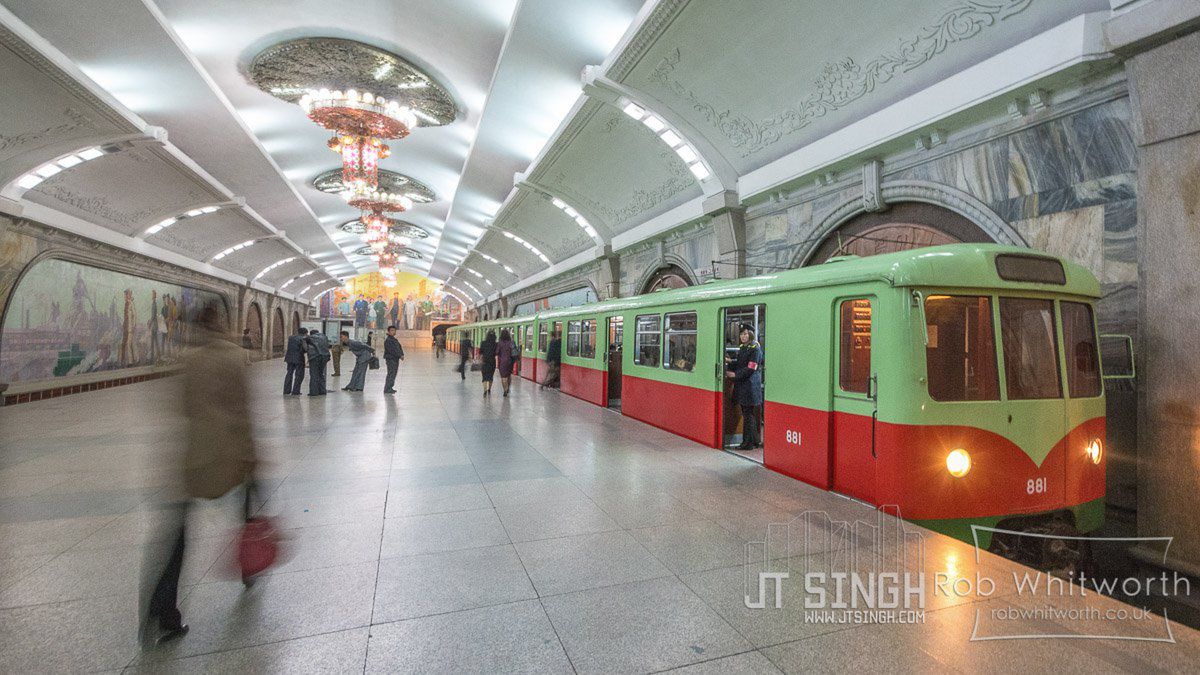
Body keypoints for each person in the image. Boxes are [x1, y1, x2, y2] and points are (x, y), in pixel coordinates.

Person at [142, 303, 258, 647]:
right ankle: (249, 567)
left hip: (193, 455)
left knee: (176, 538)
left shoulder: (189, 360)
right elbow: (244, 409)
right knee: (246, 512)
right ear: (221, 323)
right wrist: (254, 454)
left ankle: (161, 610)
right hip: (231, 451)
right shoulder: (235, 356)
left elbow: (181, 408)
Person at [725, 323, 764, 450]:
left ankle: (747, 443)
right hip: (744, 386)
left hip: (750, 386)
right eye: (741, 334)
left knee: (748, 415)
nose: (743, 336)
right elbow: (742, 362)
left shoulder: (755, 348)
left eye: (746, 334)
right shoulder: (744, 348)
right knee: (747, 414)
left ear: (751, 334)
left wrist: (735, 374)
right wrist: (731, 361)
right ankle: (754, 441)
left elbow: (751, 368)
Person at [305, 328, 331, 396]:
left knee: (314, 374)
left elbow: (305, 348)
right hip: (325, 357)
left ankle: (313, 392)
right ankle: (322, 391)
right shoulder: (324, 337)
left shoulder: (310, 337)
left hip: (315, 357)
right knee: (320, 373)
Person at [283, 327, 307, 396]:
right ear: (305, 333)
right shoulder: (303, 338)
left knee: (289, 373)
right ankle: (296, 391)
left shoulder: (291, 338)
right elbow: (305, 348)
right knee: (299, 375)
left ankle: (286, 390)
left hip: (289, 358)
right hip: (299, 358)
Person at [383, 325, 405, 394]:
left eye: (394, 330)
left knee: (393, 374)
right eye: (391, 330)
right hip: (391, 359)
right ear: (388, 332)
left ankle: (390, 387)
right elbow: (392, 350)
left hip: (395, 359)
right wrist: (400, 355)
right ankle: (387, 389)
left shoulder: (393, 339)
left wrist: (402, 354)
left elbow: (399, 347)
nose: (393, 332)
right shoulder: (388, 340)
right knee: (391, 373)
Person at [479, 330, 498, 396]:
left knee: (484, 376)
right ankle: (489, 389)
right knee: (490, 376)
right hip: (492, 362)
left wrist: (480, 360)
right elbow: (496, 353)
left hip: (484, 362)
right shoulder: (495, 344)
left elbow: (480, 353)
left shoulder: (483, 343)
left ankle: (484, 390)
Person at [497, 329, 516, 397]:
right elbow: (514, 352)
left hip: (502, 362)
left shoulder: (500, 343)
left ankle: (505, 390)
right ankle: (508, 388)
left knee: (503, 377)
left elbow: (497, 352)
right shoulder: (512, 342)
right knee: (509, 375)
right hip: (510, 362)